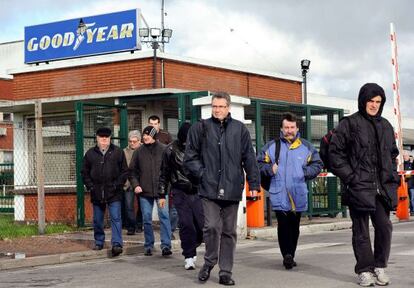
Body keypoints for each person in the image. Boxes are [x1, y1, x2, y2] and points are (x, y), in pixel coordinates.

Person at [184, 91, 260, 286]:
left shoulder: (239, 129)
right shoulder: (200, 128)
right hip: (208, 188)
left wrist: (254, 184)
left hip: (232, 188)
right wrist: (202, 174)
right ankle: (209, 262)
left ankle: (225, 272)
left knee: (229, 232)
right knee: (211, 227)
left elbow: (249, 158)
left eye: (221, 107)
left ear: (228, 108)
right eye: (214, 106)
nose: (217, 110)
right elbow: (189, 157)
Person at [329, 83, 399, 287]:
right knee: (361, 231)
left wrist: (392, 176)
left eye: (378, 102)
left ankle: (379, 265)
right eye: (371, 101)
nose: (374, 105)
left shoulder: (386, 125)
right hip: (358, 186)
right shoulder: (349, 124)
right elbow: (335, 154)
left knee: (385, 227)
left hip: (381, 188)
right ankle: (364, 270)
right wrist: (351, 177)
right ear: (363, 100)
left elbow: (392, 154)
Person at [257, 112, 323, 270]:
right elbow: (258, 163)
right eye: (286, 127)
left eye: (292, 127)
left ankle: (290, 254)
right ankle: (286, 254)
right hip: (278, 191)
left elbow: (317, 164)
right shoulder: (272, 146)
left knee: (294, 226)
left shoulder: (306, 146)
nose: (289, 130)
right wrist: (269, 169)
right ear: (281, 128)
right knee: (283, 224)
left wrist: (304, 173)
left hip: (298, 192)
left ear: (297, 128)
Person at [159, 122, 204, 270]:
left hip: (198, 191)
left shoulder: (201, 148)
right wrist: (161, 194)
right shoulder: (170, 150)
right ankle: (189, 256)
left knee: (201, 225)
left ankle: (194, 243)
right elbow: (164, 173)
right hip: (180, 191)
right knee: (186, 224)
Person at [81, 127, 128, 257]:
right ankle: (99, 241)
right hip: (97, 192)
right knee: (97, 219)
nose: (104, 140)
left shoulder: (117, 152)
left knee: (116, 218)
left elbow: (124, 172)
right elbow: (84, 173)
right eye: (101, 137)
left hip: (114, 192)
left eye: (106, 137)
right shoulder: (90, 154)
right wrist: (90, 186)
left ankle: (117, 244)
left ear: (110, 138)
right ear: (97, 138)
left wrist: (117, 185)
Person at [129, 125, 172, 256]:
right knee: (146, 218)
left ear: (154, 136)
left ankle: (166, 246)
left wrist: (166, 189)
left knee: (164, 217)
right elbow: (132, 172)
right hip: (144, 192)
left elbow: (169, 171)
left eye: (148, 135)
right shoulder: (138, 152)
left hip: (161, 192)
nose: (145, 137)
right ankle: (148, 245)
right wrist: (136, 185)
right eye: (144, 135)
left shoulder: (164, 150)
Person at [148, 115, 178, 238]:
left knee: (170, 207)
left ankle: (169, 231)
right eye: (151, 124)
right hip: (151, 176)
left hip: (167, 176)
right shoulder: (147, 135)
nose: (153, 126)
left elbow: (172, 152)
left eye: (155, 124)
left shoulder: (166, 135)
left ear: (159, 124)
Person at [123, 130, 142, 235]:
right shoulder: (124, 152)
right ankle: (131, 226)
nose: (132, 143)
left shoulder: (144, 150)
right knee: (128, 206)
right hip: (128, 183)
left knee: (142, 206)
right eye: (130, 141)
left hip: (141, 182)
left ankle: (139, 225)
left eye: (135, 141)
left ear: (139, 141)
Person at [403, 151, 414, 216]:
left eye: (406, 156)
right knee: (406, 199)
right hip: (404, 184)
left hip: (412, 184)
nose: (405, 157)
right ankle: (406, 210)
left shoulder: (411, 164)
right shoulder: (402, 164)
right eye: (404, 156)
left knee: (412, 199)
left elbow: (408, 174)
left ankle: (412, 211)